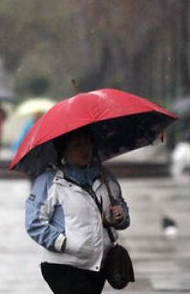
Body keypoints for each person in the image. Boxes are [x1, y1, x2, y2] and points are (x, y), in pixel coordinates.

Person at [25, 126, 130, 294]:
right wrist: (64, 243)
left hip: (98, 265)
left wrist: (120, 216)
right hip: (63, 265)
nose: (84, 149)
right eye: (77, 145)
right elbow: (34, 222)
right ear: (64, 152)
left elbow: (121, 206)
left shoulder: (106, 177)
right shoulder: (49, 181)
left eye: (87, 143)